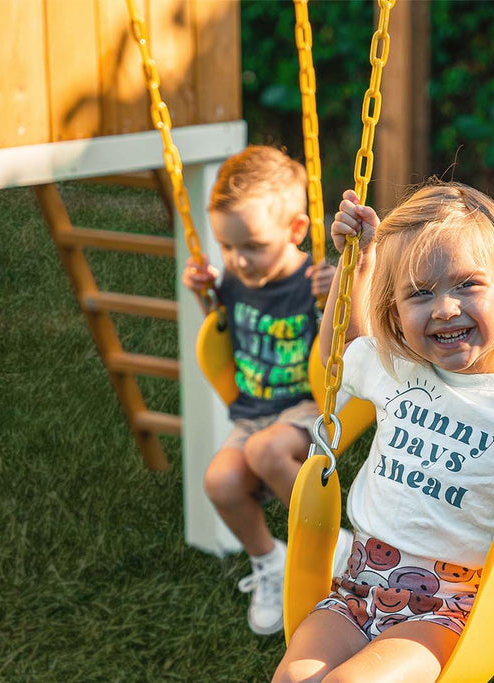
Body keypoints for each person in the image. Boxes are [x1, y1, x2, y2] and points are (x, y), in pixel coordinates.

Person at [274, 182, 494, 682]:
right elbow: (338, 356)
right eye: (420, 293)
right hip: (355, 586)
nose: (444, 308)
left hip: (441, 610)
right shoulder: (397, 367)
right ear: (394, 313)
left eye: (466, 285)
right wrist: (360, 261)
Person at [181, 145, 353, 636]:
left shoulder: (312, 281)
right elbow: (222, 331)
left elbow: (351, 335)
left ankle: (333, 547)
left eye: (252, 245)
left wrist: (340, 285)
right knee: (220, 482)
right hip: (253, 412)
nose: (238, 259)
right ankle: (270, 561)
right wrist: (204, 293)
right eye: (226, 245)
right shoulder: (233, 280)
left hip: (305, 405)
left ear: (295, 230)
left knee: (266, 452)